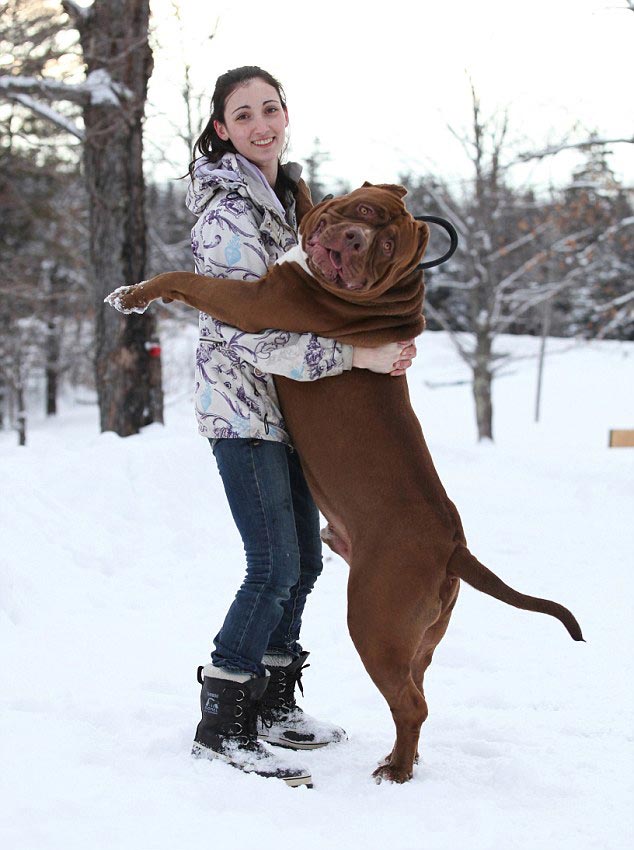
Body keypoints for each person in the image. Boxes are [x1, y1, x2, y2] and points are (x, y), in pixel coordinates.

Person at [186, 66, 416, 786]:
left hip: (295, 413)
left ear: (287, 115)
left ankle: (274, 702)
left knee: (307, 563)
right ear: (221, 128)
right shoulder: (227, 216)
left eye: (271, 109)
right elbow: (247, 336)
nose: (262, 124)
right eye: (243, 114)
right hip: (242, 409)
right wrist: (358, 355)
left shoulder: (293, 203)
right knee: (273, 565)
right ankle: (224, 717)